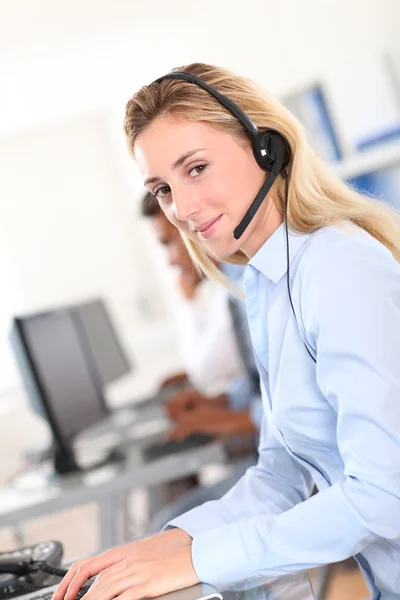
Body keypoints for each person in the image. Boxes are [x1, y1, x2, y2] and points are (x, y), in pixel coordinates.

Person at [54, 63, 400, 600]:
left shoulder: (340, 267)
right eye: (164, 188)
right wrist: (173, 543)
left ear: (267, 147)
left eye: (196, 169)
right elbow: (283, 473)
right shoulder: (266, 281)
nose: (183, 209)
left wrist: (200, 559)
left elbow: (384, 494)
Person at [141, 191, 262, 437]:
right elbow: (259, 380)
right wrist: (223, 403)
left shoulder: (247, 280)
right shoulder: (230, 279)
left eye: (169, 243)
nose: (170, 261)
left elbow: (203, 372)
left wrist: (188, 303)